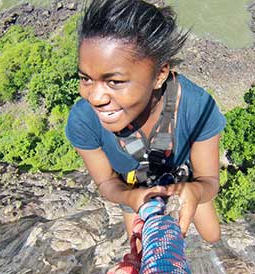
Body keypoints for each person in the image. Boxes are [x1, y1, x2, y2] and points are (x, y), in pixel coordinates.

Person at [65, 0, 226, 243]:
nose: (95, 98)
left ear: (160, 74)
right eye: (86, 79)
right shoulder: (84, 120)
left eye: (115, 82)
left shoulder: (197, 107)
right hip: (135, 188)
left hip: (183, 181)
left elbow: (209, 180)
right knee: (141, 251)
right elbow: (106, 182)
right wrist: (131, 199)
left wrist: (195, 191)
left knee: (212, 236)